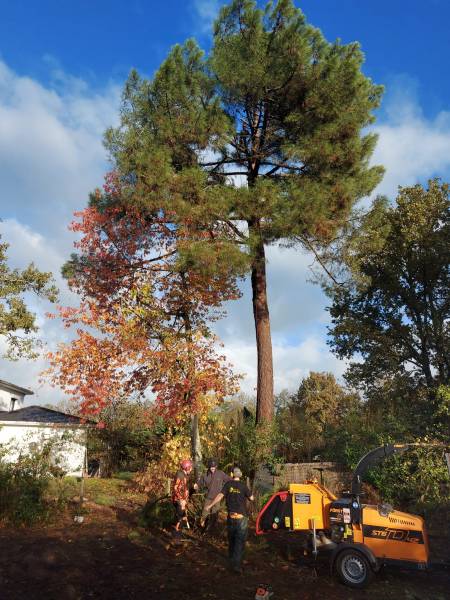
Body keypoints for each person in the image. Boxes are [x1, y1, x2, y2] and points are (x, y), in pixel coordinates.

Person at [205, 466, 254, 574]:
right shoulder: (243, 486)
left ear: (232, 475)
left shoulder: (228, 485)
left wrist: (210, 506)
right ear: (240, 475)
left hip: (231, 517)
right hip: (241, 518)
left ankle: (231, 561)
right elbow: (251, 498)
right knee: (239, 542)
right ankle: (236, 566)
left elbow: (219, 496)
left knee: (232, 540)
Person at [195, 458, 231, 530]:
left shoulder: (221, 473)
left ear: (216, 466)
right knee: (204, 513)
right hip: (208, 497)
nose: (212, 468)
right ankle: (202, 527)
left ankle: (211, 529)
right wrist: (196, 485)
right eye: (211, 467)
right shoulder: (205, 475)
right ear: (209, 466)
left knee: (214, 514)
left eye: (214, 467)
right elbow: (199, 483)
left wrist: (234, 482)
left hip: (217, 498)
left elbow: (229, 480)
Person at [172, 459, 193, 532]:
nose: (191, 469)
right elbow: (175, 488)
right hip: (179, 500)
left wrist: (193, 488)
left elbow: (186, 488)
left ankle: (178, 536)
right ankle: (176, 538)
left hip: (183, 500)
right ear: (187, 468)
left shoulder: (186, 475)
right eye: (190, 467)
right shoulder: (180, 475)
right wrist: (181, 500)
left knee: (182, 517)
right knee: (179, 519)